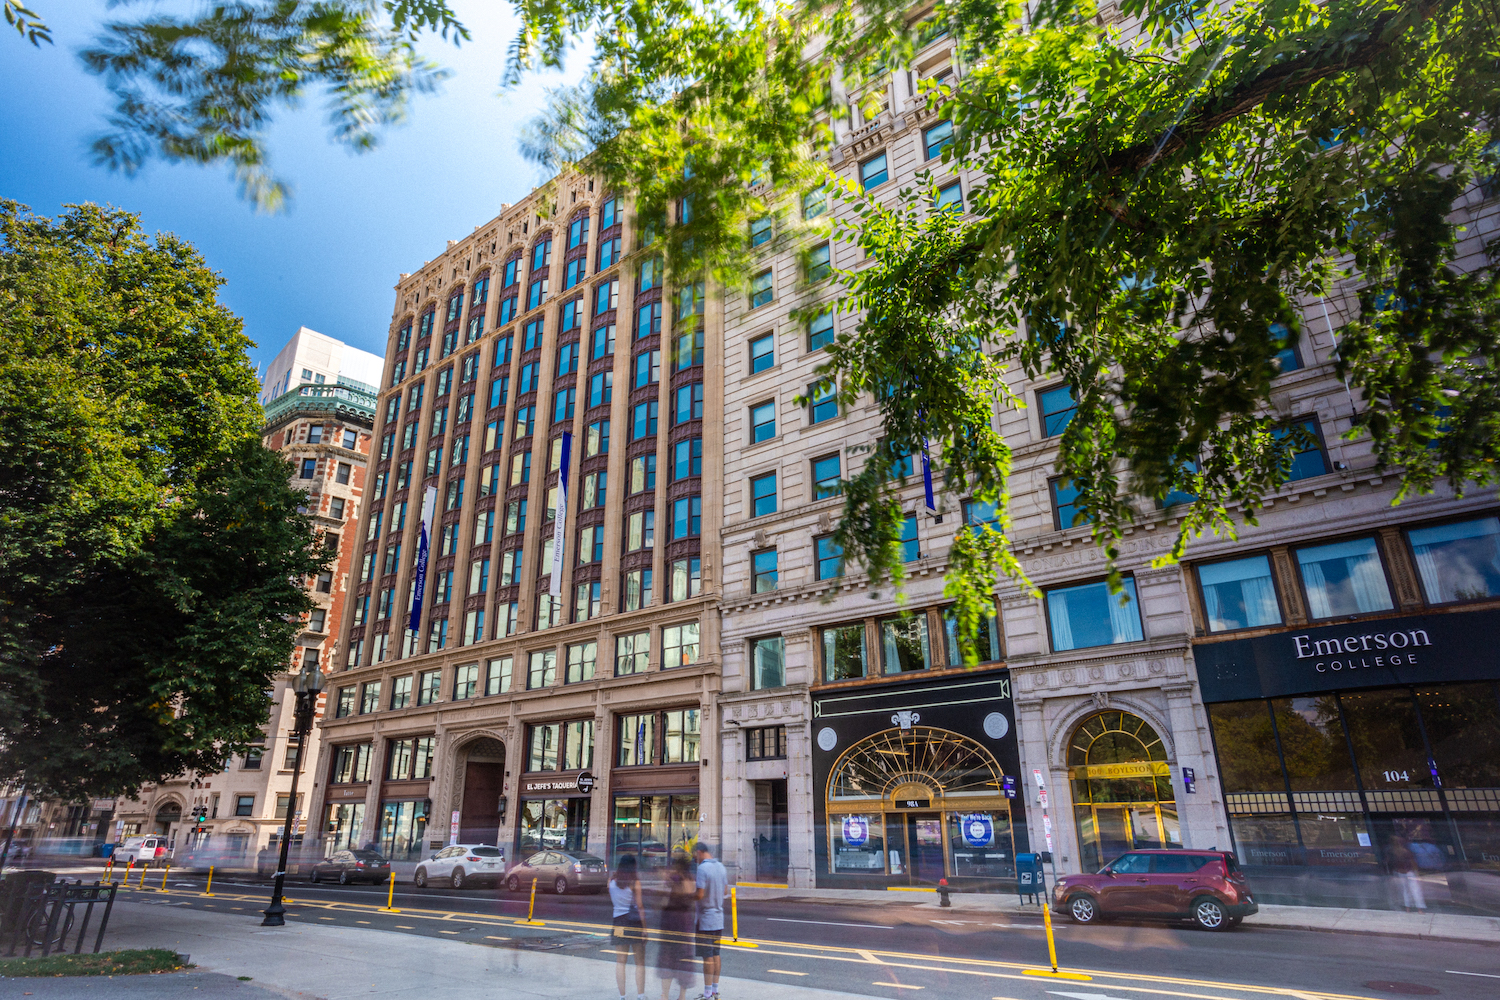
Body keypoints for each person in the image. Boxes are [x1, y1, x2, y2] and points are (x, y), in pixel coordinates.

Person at [656, 855, 695, 1000]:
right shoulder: (690, 879)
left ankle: (665, 996)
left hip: (671, 922)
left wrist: (665, 878)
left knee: (667, 958)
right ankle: (682, 996)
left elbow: (662, 899)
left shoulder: (676, 879)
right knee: (684, 959)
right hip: (685, 922)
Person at [610, 854, 648, 1000]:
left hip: (618, 922)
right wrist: (644, 928)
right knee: (640, 962)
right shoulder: (634, 882)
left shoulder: (611, 881)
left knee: (620, 961)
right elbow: (639, 906)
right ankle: (640, 995)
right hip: (633, 922)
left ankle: (622, 996)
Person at [692, 843, 728, 1000]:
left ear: (699, 852)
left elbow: (699, 894)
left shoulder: (702, 869)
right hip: (718, 918)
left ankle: (707, 993)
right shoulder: (721, 867)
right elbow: (725, 890)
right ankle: (715, 990)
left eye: (694, 856)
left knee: (707, 957)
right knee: (716, 953)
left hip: (705, 918)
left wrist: (688, 896)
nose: (695, 859)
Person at [1388, 836, 1426, 912]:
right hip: (1409, 872)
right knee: (1415, 890)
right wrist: (1417, 873)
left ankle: (1407, 908)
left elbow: (1390, 862)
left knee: (1405, 891)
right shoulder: (1406, 852)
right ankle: (1419, 909)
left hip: (1399, 872)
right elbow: (1413, 862)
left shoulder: (1392, 852)